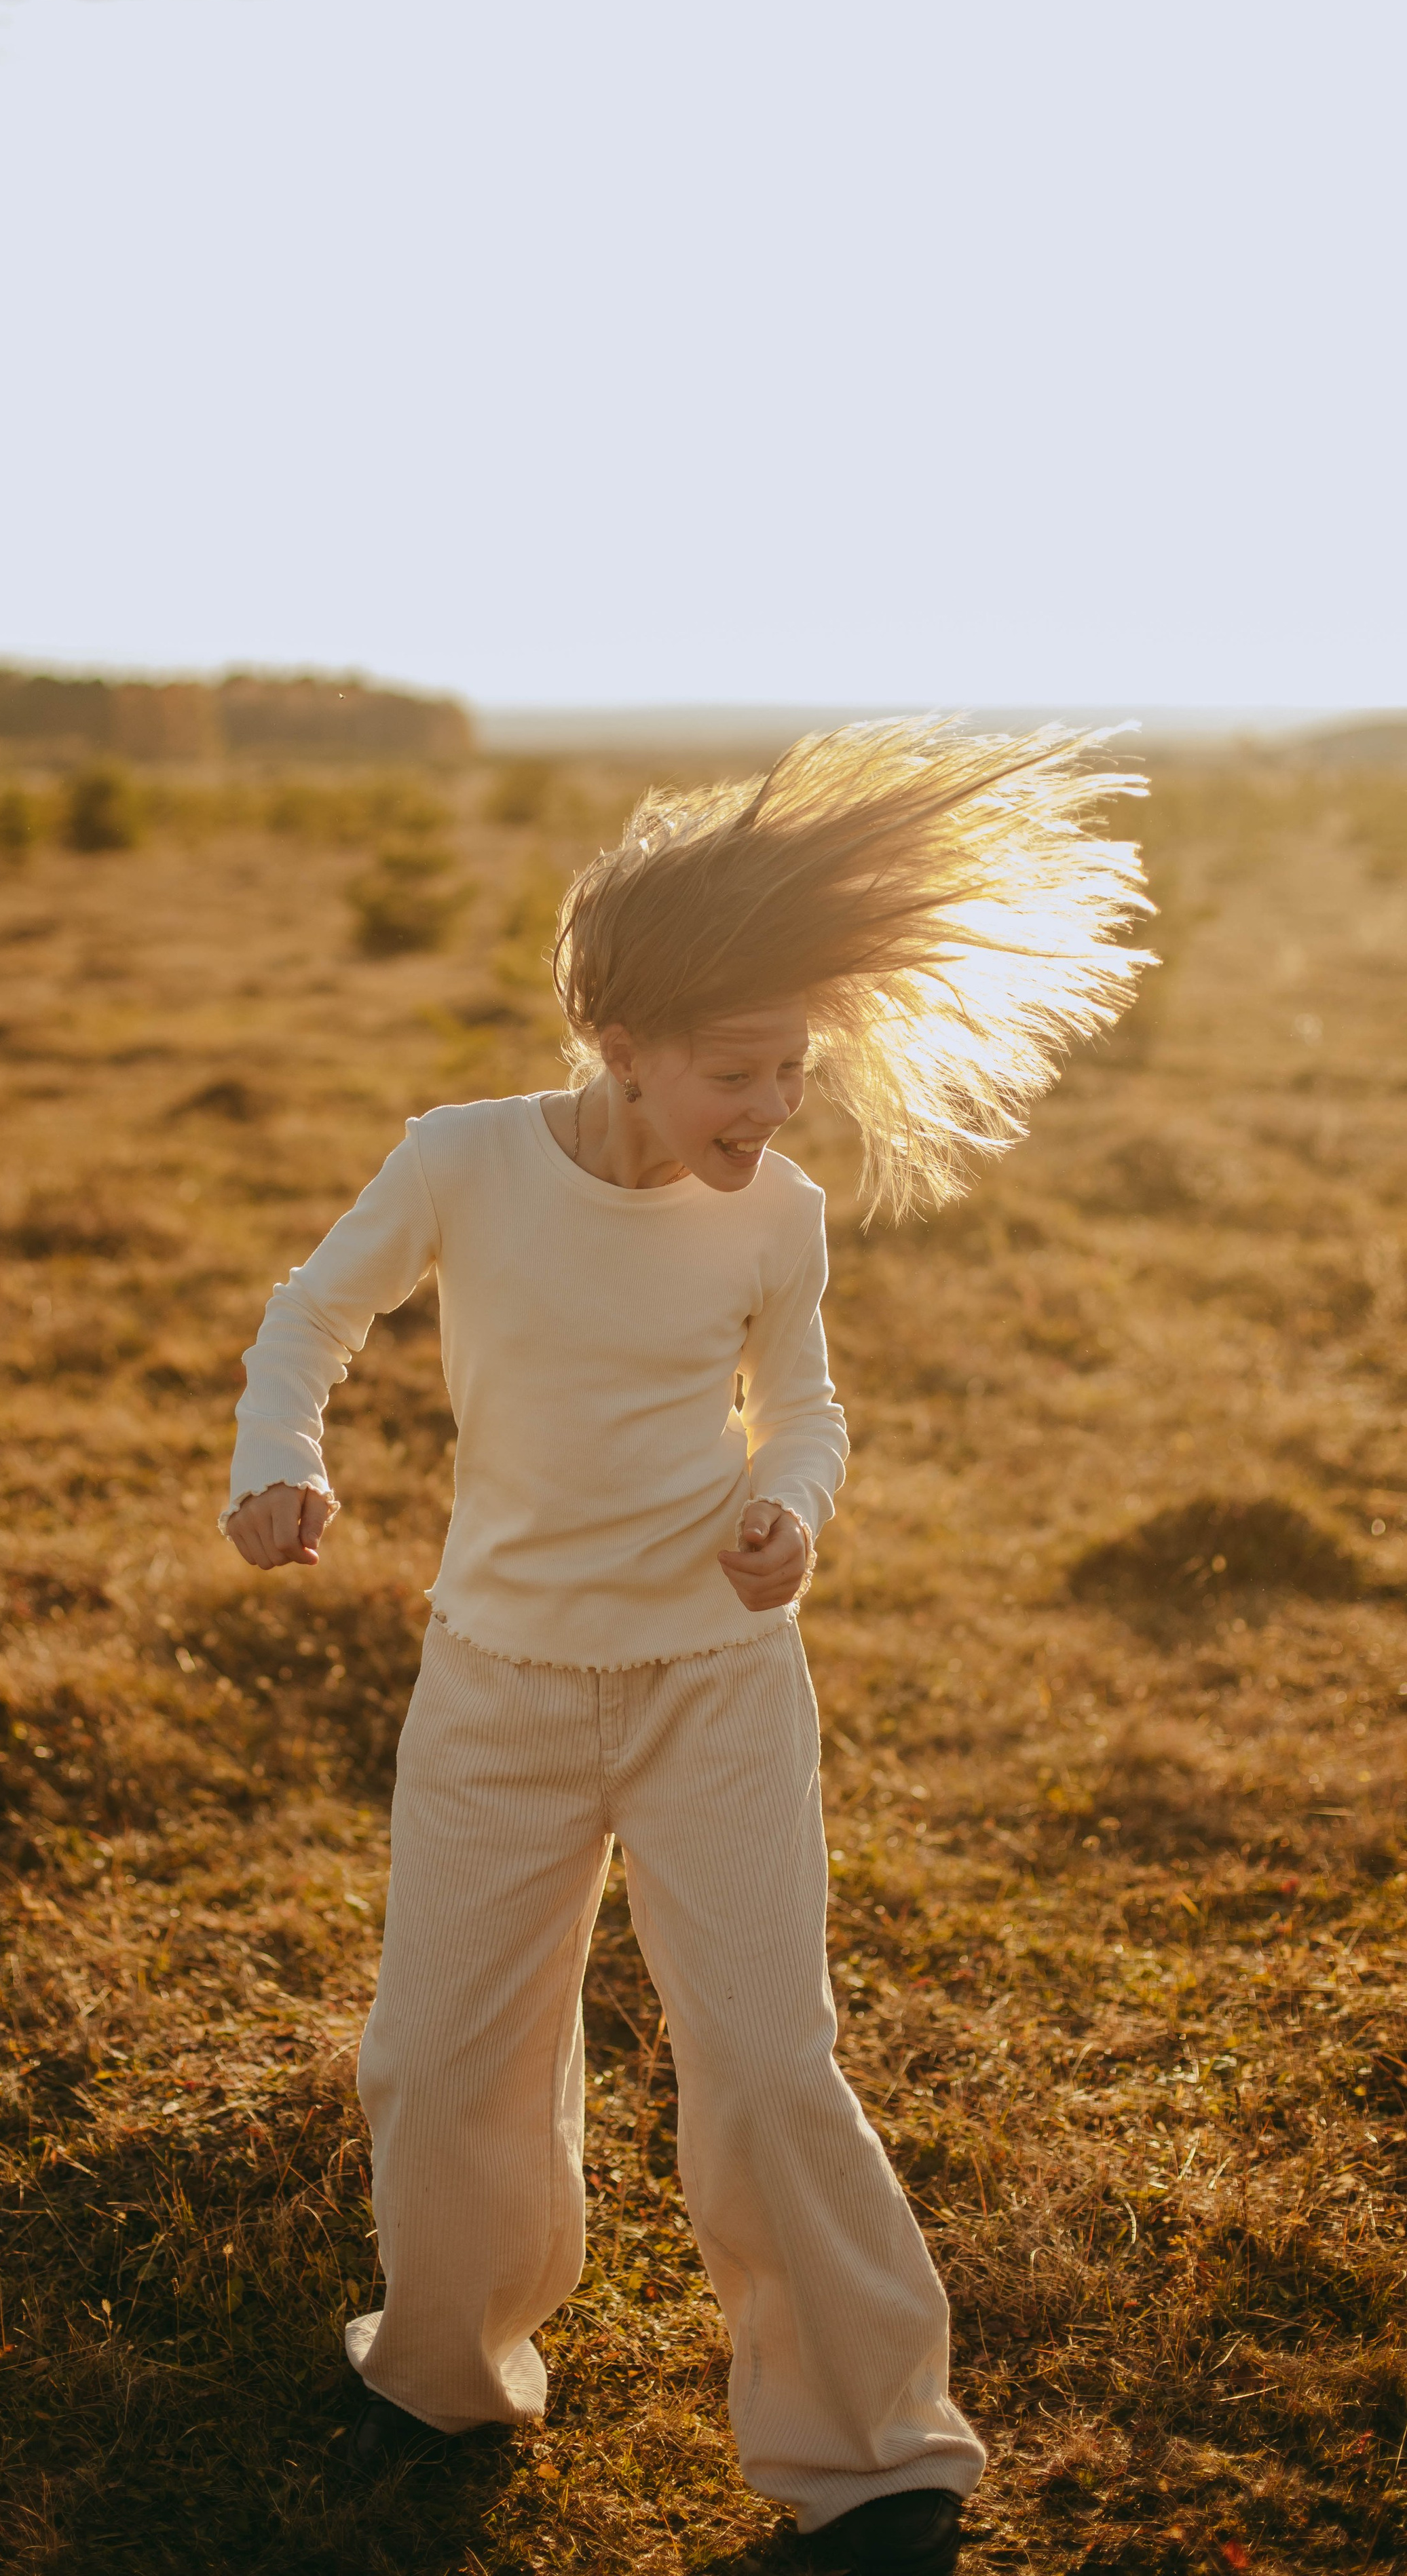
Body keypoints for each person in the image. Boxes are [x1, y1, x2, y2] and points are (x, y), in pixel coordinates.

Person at [221, 721, 1150, 2572]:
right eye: (738, 1074)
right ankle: (447, 2376)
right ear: (620, 1046)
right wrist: (279, 1458)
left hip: (718, 1689)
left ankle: (876, 2457)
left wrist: (794, 1511)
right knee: (435, 2061)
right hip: (498, 1685)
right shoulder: (465, 1163)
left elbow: (804, 1407)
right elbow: (313, 1315)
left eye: (794, 1071)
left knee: (768, 2062)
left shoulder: (780, 1214)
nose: (774, 1109)